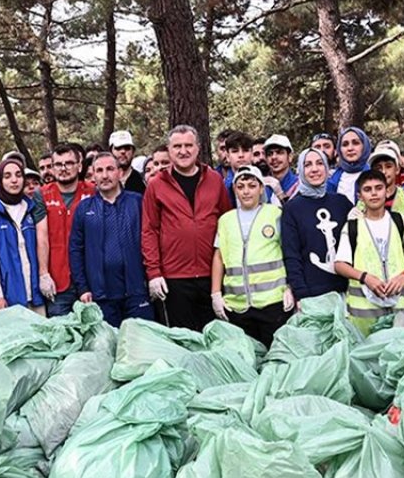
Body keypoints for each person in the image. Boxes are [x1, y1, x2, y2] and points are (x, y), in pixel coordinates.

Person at [142, 125, 232, 330]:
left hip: (212, 275)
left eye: (189, 145)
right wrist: (154, 273)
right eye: (177, 146)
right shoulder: (157, 184)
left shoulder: (214, 180)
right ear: (169, 150)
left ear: (198, 148)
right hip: (175, 277)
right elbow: (149, 230)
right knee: (184, 339)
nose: (183, 151)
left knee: (214, 336)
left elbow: (226, 224)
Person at [334, 170, 404, 335]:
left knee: (401, 354)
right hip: (365, 311)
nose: (373, 193)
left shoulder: (399, 221)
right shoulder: (353, 226)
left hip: (402, 308)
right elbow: (340, 265)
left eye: (378, 188)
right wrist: (366, 278)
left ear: (387, 191)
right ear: (360, 196)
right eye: (367, 189)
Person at [211, 166, 292, 346]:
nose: (246, 191)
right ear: (234, 190)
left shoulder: (275, 214)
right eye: (241, 187)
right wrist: (215, 293)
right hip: (237, 305)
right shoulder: (226, 220)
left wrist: (290, 287)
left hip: (273, 302)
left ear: (261, 188)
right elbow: (219, 256)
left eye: (252, 186)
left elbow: (289, 252)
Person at [69, 154, 151, 327]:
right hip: (100, 294)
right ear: (93, 176)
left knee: (141, 344)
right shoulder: (84, 209)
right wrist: (82, 288)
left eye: (110, 169)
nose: (105, 175)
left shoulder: (137, 202)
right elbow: (75, 250)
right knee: (108, 347)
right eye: (99, 170)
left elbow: (151, 241)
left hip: (136, 291)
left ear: (120, 173)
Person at [281, 148, 355, 302]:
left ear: (327, 168)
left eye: (320, 163)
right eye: (308, 165)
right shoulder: (292, 209)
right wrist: (301, 295)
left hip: (349, 290)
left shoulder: (342, 203)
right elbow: (292, 255)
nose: (314, 169)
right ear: (301, 170)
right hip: (312, 294)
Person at [0, 157, 50, 314]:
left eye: (18, 175)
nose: (14, 180)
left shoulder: (32, 209)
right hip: (9, 296)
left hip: (36, 293)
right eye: (7, 176)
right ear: (0, 180)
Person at [42, 144, 96, 316]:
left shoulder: (94, 192)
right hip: (58, 281)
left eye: (69, 163)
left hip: (90, 279)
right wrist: (43, 274)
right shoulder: (41, 195)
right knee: (60, 335)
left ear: (79, 166)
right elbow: (41, 237)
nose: (63, 169)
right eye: (58, 164)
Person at [326, 127, 372, 204]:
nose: (350, 148)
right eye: (345, 144)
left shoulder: (373, 175)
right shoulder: (332, 179)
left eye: (355, 143)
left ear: (364, 146)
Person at [368, 147, 404, 214]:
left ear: (397, 169)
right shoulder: (364, 200)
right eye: (378, 168)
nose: (383, 171)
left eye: (388, 166)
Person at [262, 134, 299, 199]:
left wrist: (280, 194)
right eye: (270, 154)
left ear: (290, 157)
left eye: (279, 152)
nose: (274, 157)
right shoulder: (262, 185)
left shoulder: (299, 185)